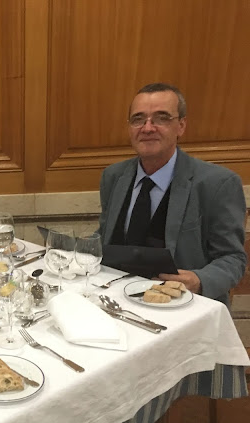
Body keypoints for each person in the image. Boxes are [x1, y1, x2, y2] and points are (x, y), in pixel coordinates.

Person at [98, 83, 246, 306]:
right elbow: (105, 237)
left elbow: (233, 258)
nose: (148, 128)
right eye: (138, 119)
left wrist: (199, 280)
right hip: (115, 302)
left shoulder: (218, 184)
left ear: (181, 126)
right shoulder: (113, 176)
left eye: (161, 118)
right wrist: (74, 252)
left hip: (182, 307)